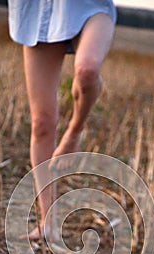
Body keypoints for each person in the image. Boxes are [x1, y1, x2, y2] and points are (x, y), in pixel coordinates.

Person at [8, 1, 116, 240]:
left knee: (87, 70)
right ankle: (48, 224)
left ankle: (75, 131)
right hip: (38, 9)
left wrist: (74, 130)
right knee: (42, 123)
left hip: (88, 6)